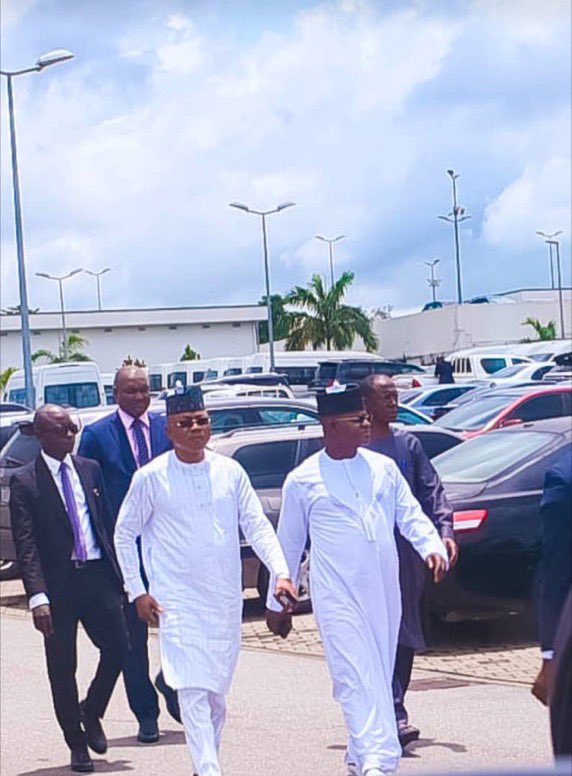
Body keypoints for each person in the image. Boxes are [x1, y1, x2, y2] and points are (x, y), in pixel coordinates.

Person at [266, 385, 448, 776]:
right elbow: (289, 544)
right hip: (336, 597)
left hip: (384, 592)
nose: (368, 424)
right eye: (358, 419)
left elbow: (410, 515)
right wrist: (276, 601)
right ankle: (376, 763)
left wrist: (431, 545)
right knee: (352, 676)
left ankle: (358, 753)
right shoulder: (303, 479)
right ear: (330, 425)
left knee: (379, 673)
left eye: (367, 417)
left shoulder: (383, 469)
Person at [113, 386, 296, 776]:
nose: (196, 428)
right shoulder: (151, 477)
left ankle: (204, 763)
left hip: (224, 600)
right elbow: (124, 533)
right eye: (185, 423)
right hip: (175, 601)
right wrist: (138, 590)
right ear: (169, 431)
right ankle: (210, 768)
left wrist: (280, 572)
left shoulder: (231, 472)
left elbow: (257, 527)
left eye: (201, 421)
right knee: (194, 691)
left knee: (215, 695)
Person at [9, 405, 129, 773]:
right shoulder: (25, 481)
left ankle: (91, 712)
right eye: (61, 430)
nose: (70, 435)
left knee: (120, 648)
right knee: (63, 668)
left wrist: (121, 576)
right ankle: (77, 744)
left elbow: (105, 525)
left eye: (72, 428)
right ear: (40, 435)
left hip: (96, 576)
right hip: (57, 588)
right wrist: (37, 597)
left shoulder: (88, 470)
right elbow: (25, 543)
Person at [78, 365, 178, 742]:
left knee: (177, 626)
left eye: (145, 390)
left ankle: (171, 682)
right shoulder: (97, 435)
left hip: (168, 548)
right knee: (133, 639)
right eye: (131, 391)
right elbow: (90, 495)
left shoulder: (166, 428)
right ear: (115, 392)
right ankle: (146, 714)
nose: (139, 397)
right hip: (125, 554)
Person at [360, 374, 458, 748]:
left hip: (405, 557)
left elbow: (432, 493)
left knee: (403, 632)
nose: (393, 402)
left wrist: (444, 533)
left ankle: (395, 711)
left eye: (395, 396)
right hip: (366, 560)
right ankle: (379, 710)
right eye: (385, 396)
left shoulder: (408, 444)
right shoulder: (354, 447)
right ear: (365, 403)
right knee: (374, 635)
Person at [532, 444, 572, 758]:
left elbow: (554, 573)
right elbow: (557, 570)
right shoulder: (565, 477)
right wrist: (551, 656)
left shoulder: (564, 476)